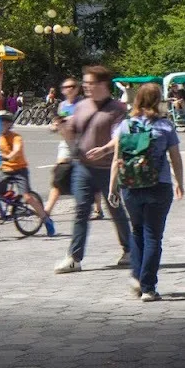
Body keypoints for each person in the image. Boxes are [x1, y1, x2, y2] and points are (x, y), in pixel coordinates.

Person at [109, 83, 185, 301]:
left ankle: (138, 277)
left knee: (136, 231)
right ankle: (148, 287)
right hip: (159, 186)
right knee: (153, 236)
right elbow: (176, 159)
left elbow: (117, 160)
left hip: (130, 187)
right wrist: (179, 182)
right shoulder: (165, 127)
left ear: (137, 100)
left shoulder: (124, 126)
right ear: (158, 100)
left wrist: (112, 188)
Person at [54, 65, 131, 274]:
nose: (86, 86)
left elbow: (120, 137)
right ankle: (74, 257)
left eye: (90, 83)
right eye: (85, 83)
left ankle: (129, 250)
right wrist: (62, 128)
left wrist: (105, 150)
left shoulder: (117, 109)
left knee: (115, 208)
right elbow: (73, 133)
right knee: (81, 210)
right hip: (83, 167)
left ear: (103, 84)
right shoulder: (81, 106)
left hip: (108, 169)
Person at [0, 110, 56, 236]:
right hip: (5, 170)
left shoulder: (16, 137)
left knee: (27, 196)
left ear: (9, 124)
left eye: (2, 123)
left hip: (20, 170)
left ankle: (46, 219)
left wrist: (10, 156)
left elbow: (17, 150)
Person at [45, 76, 82, 219]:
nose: (68, 89)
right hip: (66, 143)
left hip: (81, 143)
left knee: (86, 177)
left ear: (77, 88)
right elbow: (58, 121)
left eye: (72, 86)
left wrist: (68, 120)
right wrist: (55, 126)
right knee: (59, 175)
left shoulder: (82, 104)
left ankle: (97, 207)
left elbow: (81, 120)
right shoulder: (62, 105)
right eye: (65, 87)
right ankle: (47, 210)